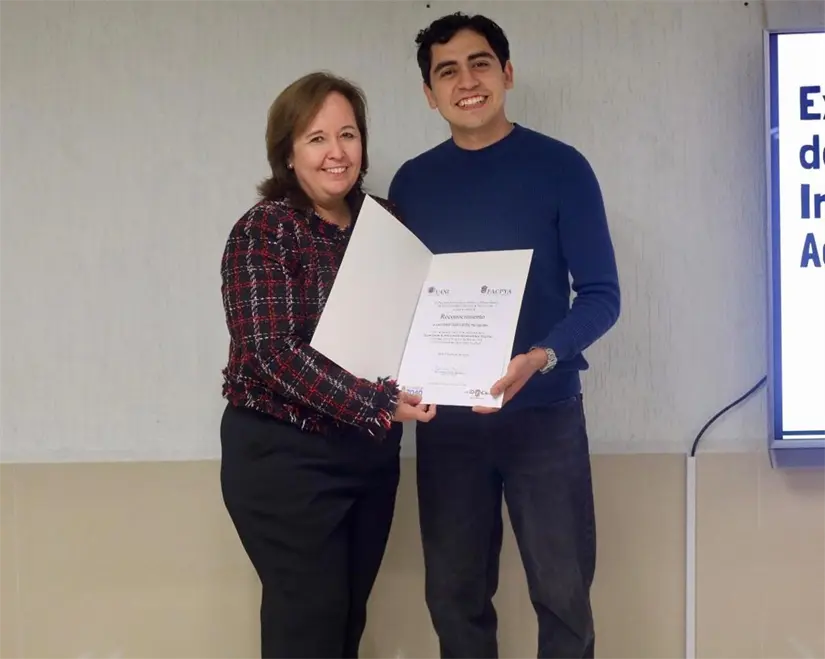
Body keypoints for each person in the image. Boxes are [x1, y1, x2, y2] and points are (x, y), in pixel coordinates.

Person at [387, 13, 620, 659]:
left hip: (542, 416)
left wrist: (542, 356)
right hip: (448, 424)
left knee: (563, 594)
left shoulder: (560, 167)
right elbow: (398, 301)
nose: (466, 81)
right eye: (447, 71)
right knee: (453, 597)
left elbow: (601, 295)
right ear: (429, 94)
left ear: (506, 73)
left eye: (480, 63)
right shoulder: (411, 182)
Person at [219, 71, 436, 659]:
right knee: (307, 626)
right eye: (316, 138)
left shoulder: (387, 222)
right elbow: (271, 354)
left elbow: (416, 315)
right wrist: (375, 402)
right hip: (283, 460)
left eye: (347, 134)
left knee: (345, 620)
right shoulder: (265, 229)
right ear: (288, 152)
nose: (335, 152)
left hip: (368, 454)